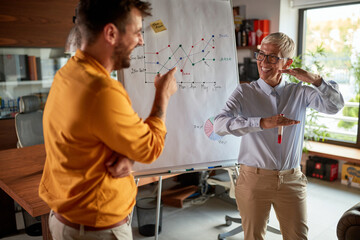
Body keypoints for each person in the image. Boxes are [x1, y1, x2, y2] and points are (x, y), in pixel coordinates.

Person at [39, 0, 177, 239]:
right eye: (136, 32)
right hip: (96, 230)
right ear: (111, 33)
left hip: (67, 220)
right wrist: (162, 96)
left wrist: (126, 154)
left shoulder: (69, 72)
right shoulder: (102, 90)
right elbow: (150, 147)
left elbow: (88, 138)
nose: (141, 41)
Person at [214, 32, 344, 240]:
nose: (264, 62)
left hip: (291, 180)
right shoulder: (244, 92)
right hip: (254, 180)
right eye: (261, 55)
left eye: (272, 57)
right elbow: (218, 125)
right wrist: (262, 122)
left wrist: (316, 80)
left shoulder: (300, 92)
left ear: (287, 62)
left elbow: (334, 106)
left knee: (298, 237)